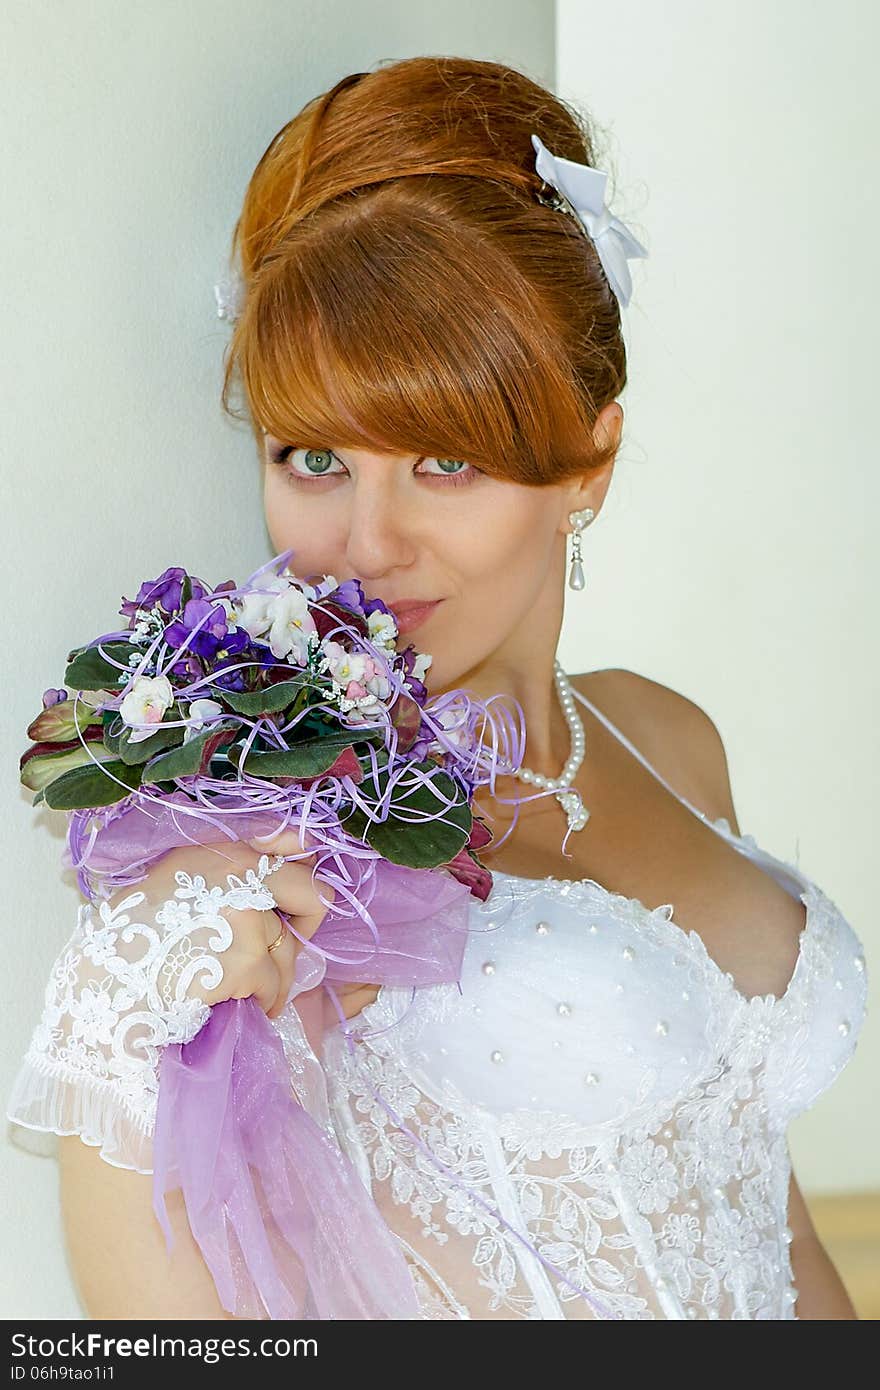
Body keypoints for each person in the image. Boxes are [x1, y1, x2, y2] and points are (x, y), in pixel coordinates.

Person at [7, 55, 867, 1320]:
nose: (367, 541)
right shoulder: (264, 824)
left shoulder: (666, 734)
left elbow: (769, 1226)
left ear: (589, 461)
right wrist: (146, 975)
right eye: (313, 456)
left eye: (445, 461)